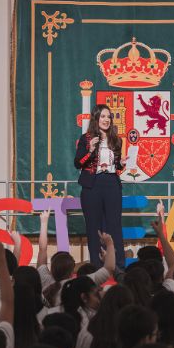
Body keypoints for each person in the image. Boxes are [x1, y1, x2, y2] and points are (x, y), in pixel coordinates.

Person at [74, 104, 127, 269]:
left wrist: (122, 163)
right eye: (103, 116)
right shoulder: (86, 138)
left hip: (111, 184)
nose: (106, 120)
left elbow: (117, 168)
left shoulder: (116, 139)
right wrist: (90, 150)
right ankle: (97, 266)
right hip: (92, 185)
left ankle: (118, 266)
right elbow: (78, 163)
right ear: (96, 118)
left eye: (108, 117)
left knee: (114, 225)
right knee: (93, 226)